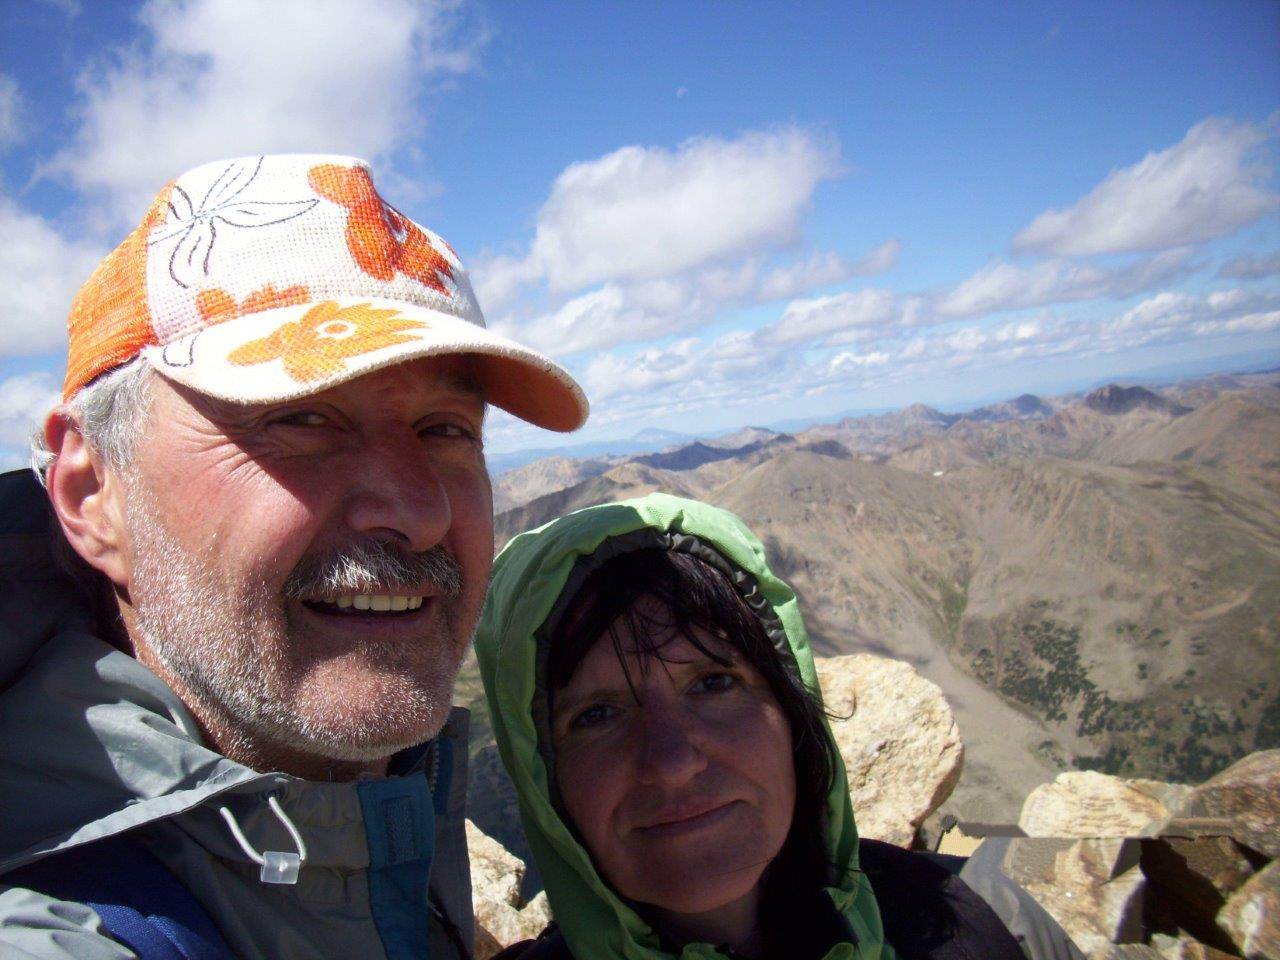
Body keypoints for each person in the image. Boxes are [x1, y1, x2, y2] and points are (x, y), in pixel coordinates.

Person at [0, 153, 588, 960]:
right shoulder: (59, 930)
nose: (418, 513)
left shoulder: (386, 796)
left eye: (447, 428)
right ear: (92, 493)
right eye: (302, 418)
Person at [475, 493, 1085, 960]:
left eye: (714, 683)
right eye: (597, 714)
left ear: (794, 715)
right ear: (540, 776)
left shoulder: (973, 921)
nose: (671, 760)